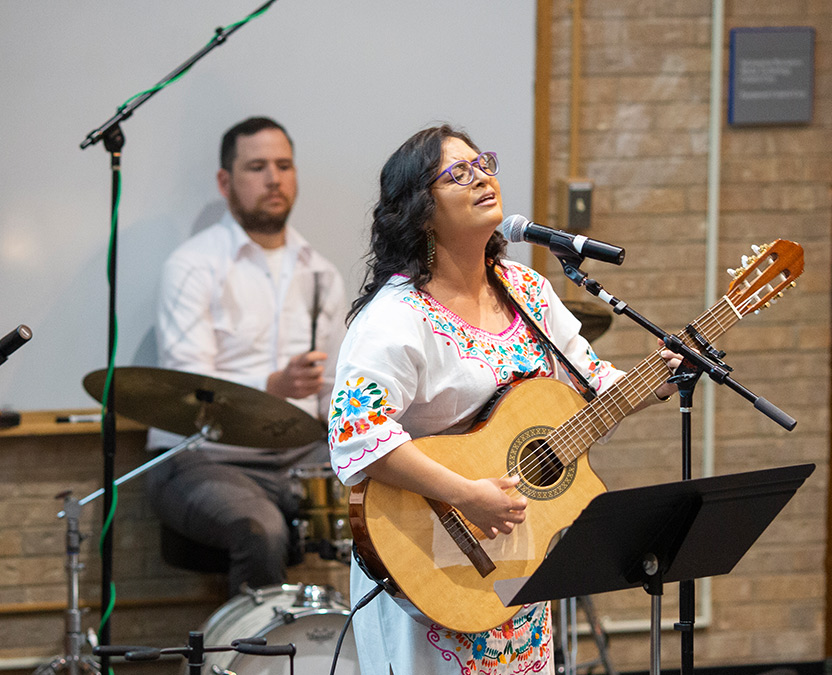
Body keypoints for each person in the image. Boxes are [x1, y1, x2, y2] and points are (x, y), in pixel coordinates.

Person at [327, 125, 682, 675]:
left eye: (484, 164)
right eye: (458, 173)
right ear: (420, 211)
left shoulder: (528, 290)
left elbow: (591, 385)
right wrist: (467, 493)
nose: (482, 177)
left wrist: (659, 380)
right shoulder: (396, 317)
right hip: (427, 563)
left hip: (516, 557)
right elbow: (358, 436)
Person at [146, 117, 348, 596]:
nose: (274, 179)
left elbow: (334, 391)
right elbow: (187, 390)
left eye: (284, 165)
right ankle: (256, 666)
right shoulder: (193, 266)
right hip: (204, 458)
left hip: (300, 453)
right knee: (261, 530)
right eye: (257, 167)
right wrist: (272, 388)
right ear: (225, 182)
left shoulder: (321, 272)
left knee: (388, 503)